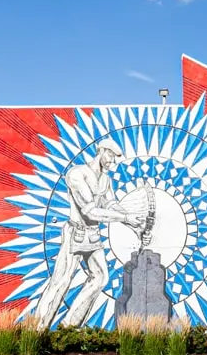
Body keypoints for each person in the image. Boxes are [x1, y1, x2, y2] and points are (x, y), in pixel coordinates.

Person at [34, 138, 145, 327]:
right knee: (61, 282)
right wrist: (126, 219)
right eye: (111, 155)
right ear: (101, 151)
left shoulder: (105, 179)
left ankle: (69, 326)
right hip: (75, 233)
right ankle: (36, 329)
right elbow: (90, 210)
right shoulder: (77, 174)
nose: (113, 162)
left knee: (100, 277)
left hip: (93, 235)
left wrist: (134, 221)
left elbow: (111, 204)